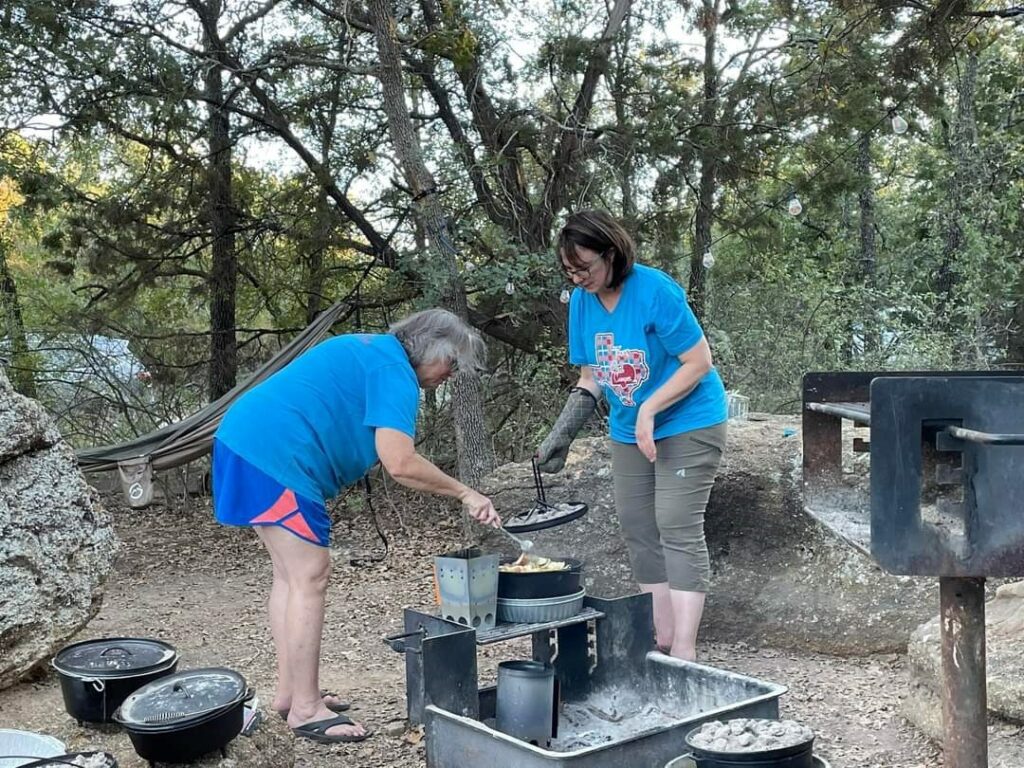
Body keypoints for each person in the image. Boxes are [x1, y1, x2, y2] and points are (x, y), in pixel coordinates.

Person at [211, 308, 501, 744]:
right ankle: (307, 709)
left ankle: (291, 695)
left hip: (244, 440)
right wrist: (466, 492)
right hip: (276, 455)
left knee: (291, 578)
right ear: (432, 350)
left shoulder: (371, 350)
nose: (451, 374)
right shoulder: (394, 372)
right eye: (453, 363)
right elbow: (400, 461)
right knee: (311, 575)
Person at [536, 210, 727, 662]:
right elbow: (592, 375)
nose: (578, 277)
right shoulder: (583, 302)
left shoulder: (654, 290)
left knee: (676, 525)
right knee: (639, 527)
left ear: (611, 253)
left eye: (585, 267)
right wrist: (563, 429)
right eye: (569, 270)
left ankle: (684, 649)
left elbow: (700, 362)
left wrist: (650, 408)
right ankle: (660, 636)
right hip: (629, 430)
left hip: (688, 420)